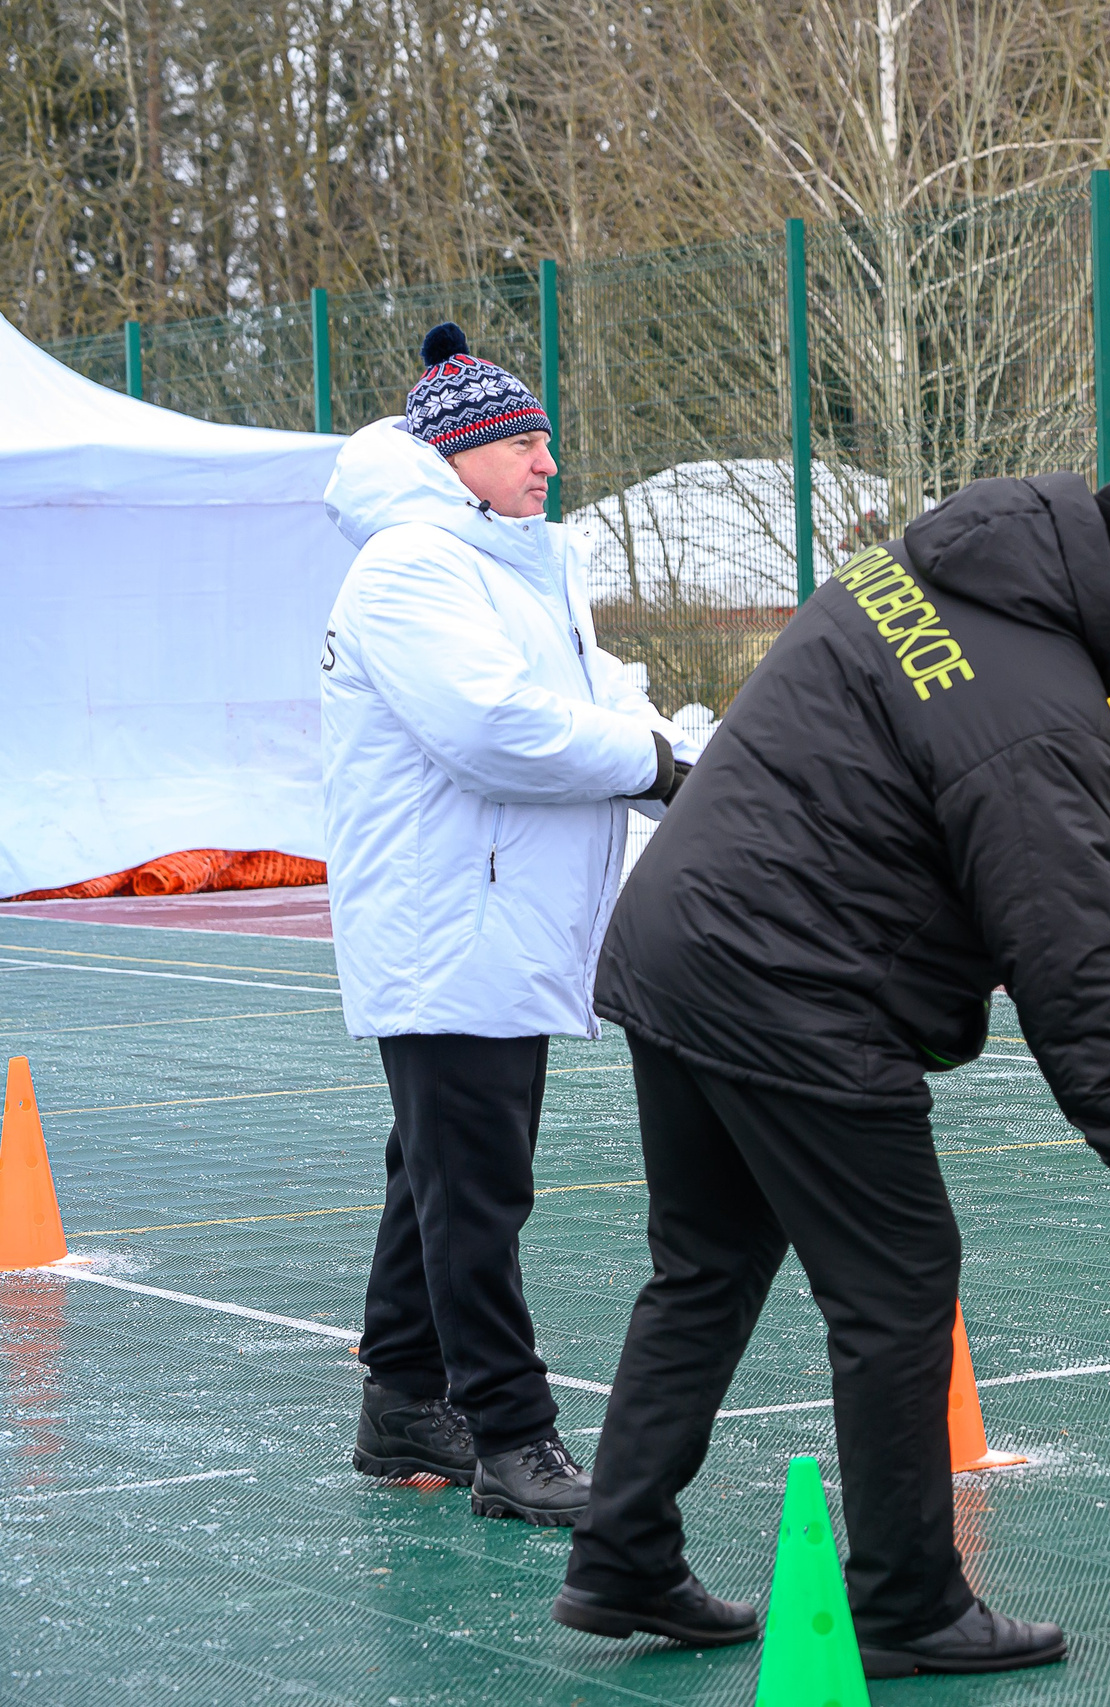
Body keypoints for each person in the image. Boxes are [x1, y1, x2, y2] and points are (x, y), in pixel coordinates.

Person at [552, 467, 1110, 1678]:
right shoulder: (1037, 709)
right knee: (898, 1286)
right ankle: (908, 1605)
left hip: (681, 943)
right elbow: (1067, 943)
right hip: (797, 989)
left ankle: (622, 1553)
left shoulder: (918, 572)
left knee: (704, 1268)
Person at [322, 323, 693, 1524]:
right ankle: (513, 1438)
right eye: (525, 443)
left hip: (492, 917)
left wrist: (684, 759)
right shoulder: (412, 568)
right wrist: (654, 765)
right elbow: (492, 728)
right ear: (459, 455)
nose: (548, 462)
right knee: (475, 1188)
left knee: (437, 1171)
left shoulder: (521, 561)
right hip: (448, 923)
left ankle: (403, 1403)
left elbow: (588, 697)